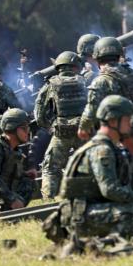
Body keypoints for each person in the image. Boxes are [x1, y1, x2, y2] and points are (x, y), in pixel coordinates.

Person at [53, 95, 133, 247]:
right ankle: (112, 244)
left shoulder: (110, 146)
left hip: (93, 208)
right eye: (127, 120)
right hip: (80, 216)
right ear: (113, 121)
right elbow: (110, 189)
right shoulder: (102, 150)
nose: (129, 125)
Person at [78, 37, 133, 186]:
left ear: (97, 58)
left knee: (126, 181)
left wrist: (83, 129)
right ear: (118, 54)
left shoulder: (101, 81)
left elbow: (90, 112)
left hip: (124, 137)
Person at [34, 51, 88, 198]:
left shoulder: (51, 84)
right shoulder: (85, 81)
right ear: (75, 66)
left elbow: (39, 114)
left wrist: (51, 127)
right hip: (84, 132)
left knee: (50, 167)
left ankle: (49, 199)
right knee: (91, 163)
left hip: (61, 133)